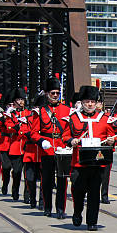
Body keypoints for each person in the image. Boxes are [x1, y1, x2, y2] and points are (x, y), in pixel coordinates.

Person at [63, 86, 116, 231]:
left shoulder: (104, 119)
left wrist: (112, 141)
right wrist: (71, 141)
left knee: (94, 193)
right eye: (87, 101)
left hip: (97, 163)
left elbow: (111, 136)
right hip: (79, 163)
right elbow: (65, 136)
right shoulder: (73, 118)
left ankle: (92, 221)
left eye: (93, 101)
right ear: (82, 102)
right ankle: (77, 212)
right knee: (78, 191)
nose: (90, 104)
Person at [30, 77, 71, 218]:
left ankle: (60, 208)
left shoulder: (67, 110)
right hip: (46, 149)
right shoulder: (40, 111)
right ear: (46, 94)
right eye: (52, 92)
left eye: (57, 92)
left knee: (62, 181)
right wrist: (41, 141)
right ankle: (47, 207)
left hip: (61, 148)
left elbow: (71, 130)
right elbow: (33, 133)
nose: (55, 95)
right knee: (46, 180)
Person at [2, 88, 29, 200]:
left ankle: (27, 195)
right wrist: (15, 127)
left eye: (22, 99)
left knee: (28, 173)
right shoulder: (11, 114)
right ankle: (15, 190)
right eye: (18, 99)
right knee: (17, 171)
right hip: (16, 145)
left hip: (26, 146)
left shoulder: (28, 113)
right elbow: (8, 127)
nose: (21, 102)